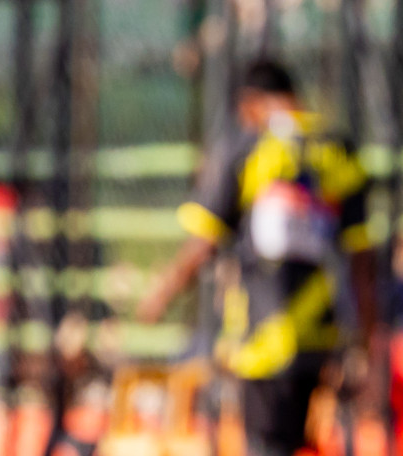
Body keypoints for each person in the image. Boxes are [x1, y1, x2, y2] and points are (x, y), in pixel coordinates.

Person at [139, 59, 378, 456]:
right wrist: (367, 337)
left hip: (261, 337)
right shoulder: (337, 147)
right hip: (319, 333)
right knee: (293, 441)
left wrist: (161, 294)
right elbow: (361, 256)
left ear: (250, 103)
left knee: (264, 445)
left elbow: (202, 241)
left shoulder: (249, 146)